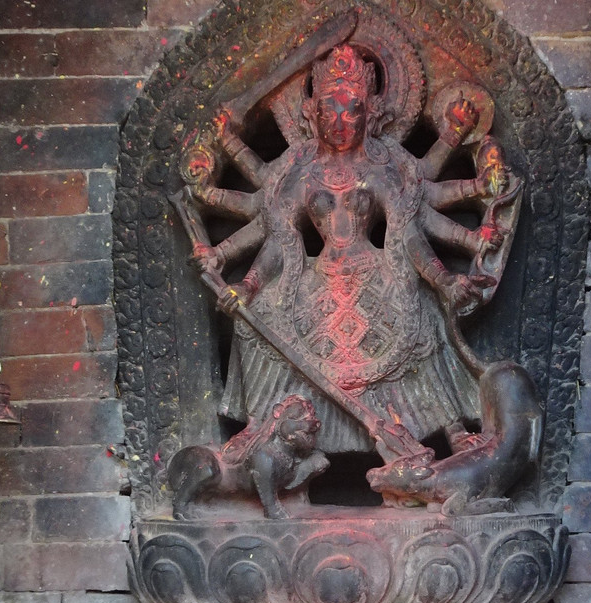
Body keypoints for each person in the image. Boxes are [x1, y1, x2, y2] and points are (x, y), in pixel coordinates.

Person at [186, 44, 518, 456]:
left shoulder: (383, 170)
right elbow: (279, 242)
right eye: (331, 109)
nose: (341, 121)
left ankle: (451, 431)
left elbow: (409, 237)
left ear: (372, 113)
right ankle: (261, 427)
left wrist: (444, 279)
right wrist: (249, 286)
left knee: (427, 312)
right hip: (315, 278)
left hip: (375, 271)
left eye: (352, 110)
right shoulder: (298, 174)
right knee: (253, 321)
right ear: (312, 113)